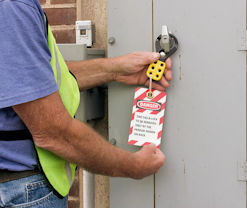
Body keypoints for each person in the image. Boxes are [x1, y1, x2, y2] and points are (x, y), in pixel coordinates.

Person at [0, 0, 172, 207]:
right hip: (23, 192)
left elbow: (36, 81)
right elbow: (54, 133)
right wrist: (134, 166)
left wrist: (115, 69)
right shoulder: (12, 8)